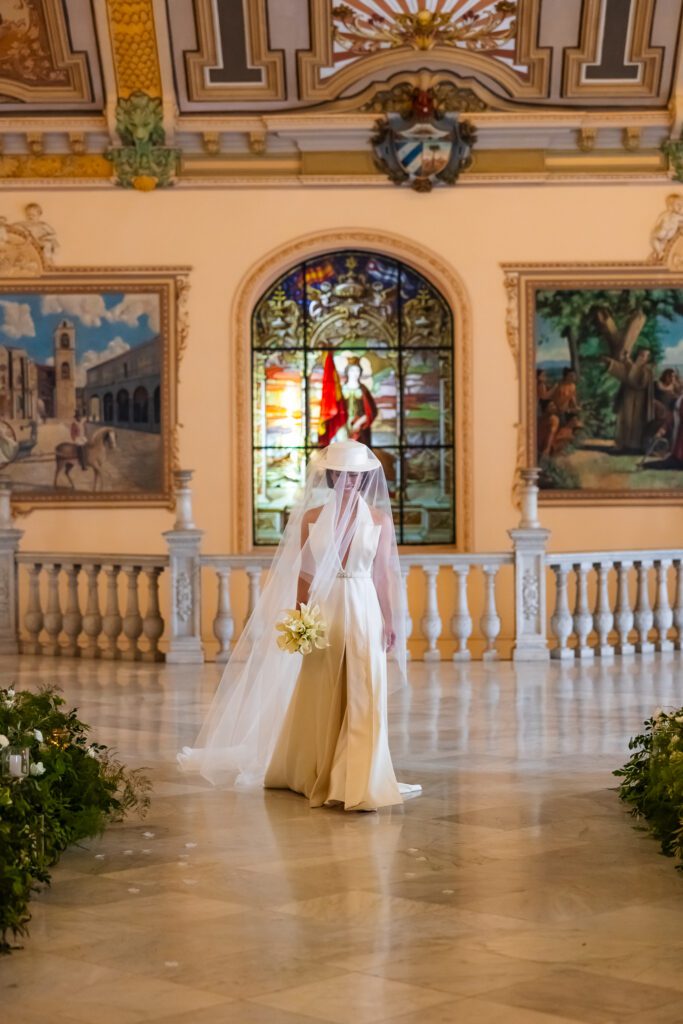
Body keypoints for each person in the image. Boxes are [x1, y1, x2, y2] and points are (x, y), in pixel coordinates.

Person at [179, 440, 420, 811]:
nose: (350, 481)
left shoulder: (379, 520)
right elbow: (304, 575)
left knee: (364, 686)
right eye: (343, 474)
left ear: (364, 478)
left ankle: (358, 776)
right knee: (319, 686)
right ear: (332, 475)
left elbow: (382, 575)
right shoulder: (311, 520)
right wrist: (299, 617)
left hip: (362, 606)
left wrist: (390, 621)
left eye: (357, 475)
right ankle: (316, 768)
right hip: (324, 610)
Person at [604, 349, 655, 452]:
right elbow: (624, 371)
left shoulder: (647, 370)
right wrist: (612, 363)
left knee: (637, 423)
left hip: (640, 401)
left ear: (647, 358)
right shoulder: (633, 366)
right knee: (624, 420)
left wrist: (629, 362)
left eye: (643, 355)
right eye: (640, 354)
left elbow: (638, 382)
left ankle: (635, 445)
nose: (640, 357)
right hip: (627, 398)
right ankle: (621, 444)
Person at [343, 358, 377, 445]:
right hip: (344, 427)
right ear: (347, 372)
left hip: (361, 427)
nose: (354, 374)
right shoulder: (341, 389)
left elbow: (372, 411)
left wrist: (359, 422)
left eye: (357, 371)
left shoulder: (363, 390)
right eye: (352, 370)